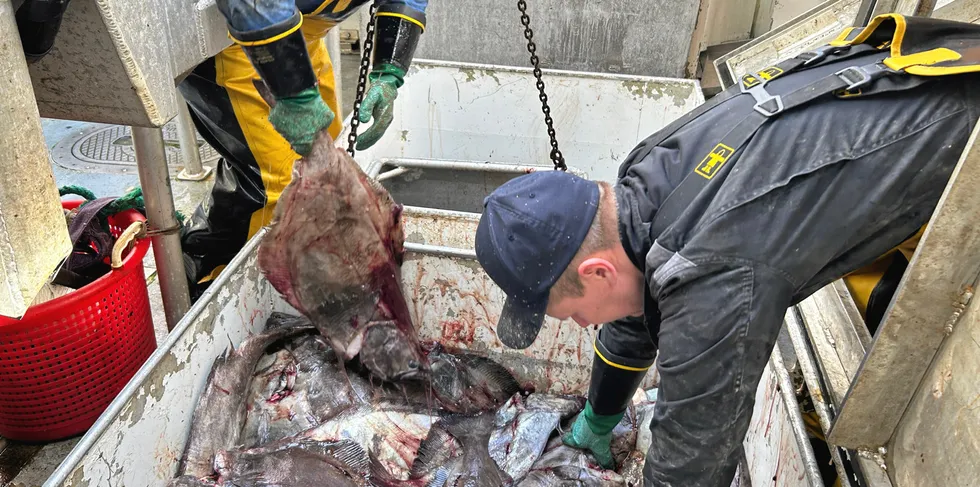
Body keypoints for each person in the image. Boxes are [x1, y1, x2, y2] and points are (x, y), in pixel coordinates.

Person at [473, 14, 980, 486]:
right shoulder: (640, 180)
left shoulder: (710, 278)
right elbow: (634, 303)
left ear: (598, 271)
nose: (583, 325)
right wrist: (598, 418)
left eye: (573, 314)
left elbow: (692, 462)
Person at [178, 0, 428, 298]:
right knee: (280, 186)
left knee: (323, 163)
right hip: (244, 39)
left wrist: (389, 70)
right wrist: (293, 93)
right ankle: (217, 286)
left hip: (301, 35)